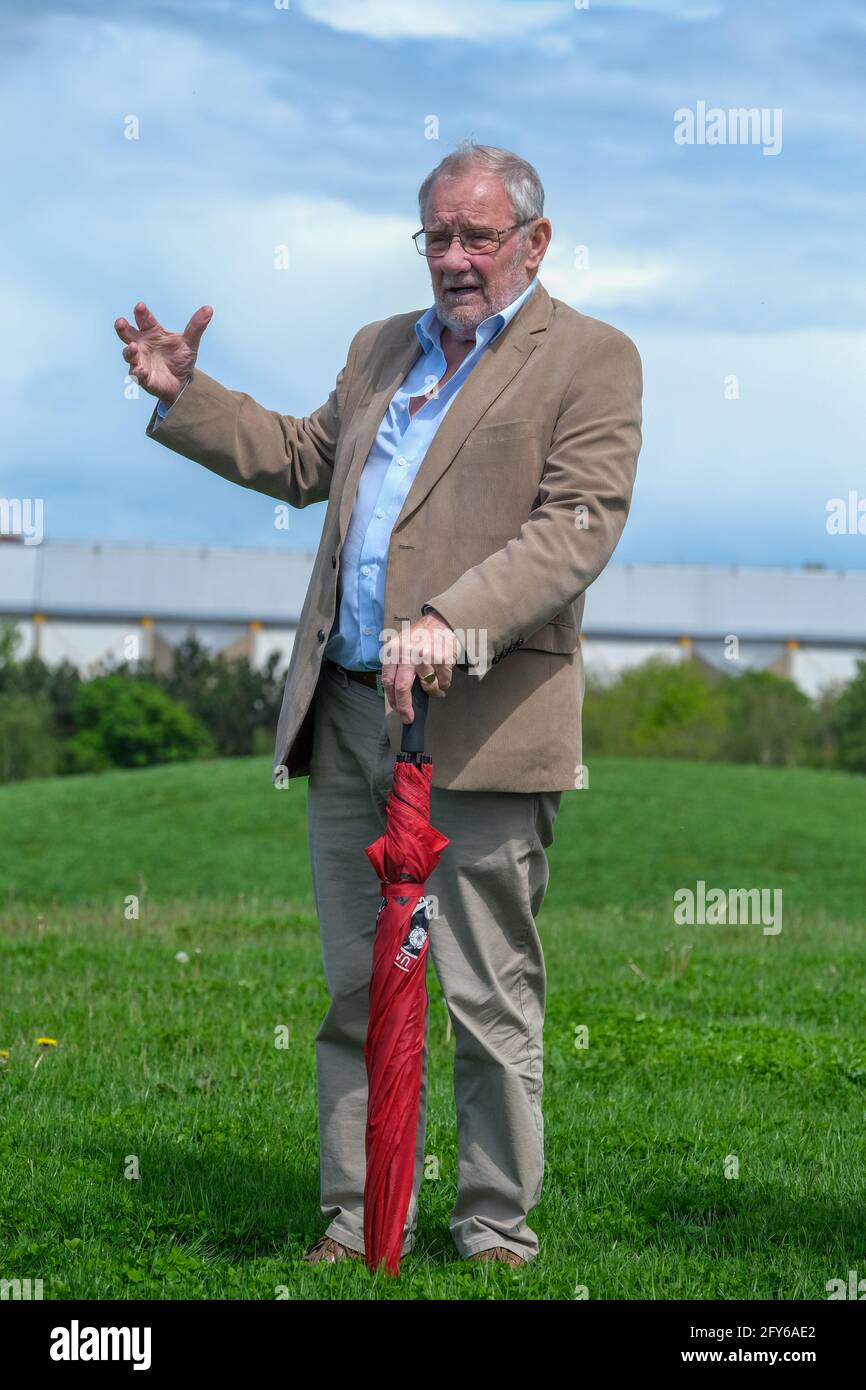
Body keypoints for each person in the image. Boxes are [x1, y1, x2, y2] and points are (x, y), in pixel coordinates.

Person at [114, 141, 643, 1267]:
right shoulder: (379, 347)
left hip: (483, 725)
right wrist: (187, 397)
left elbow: (578, 523)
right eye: (436, 237)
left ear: (533, 243)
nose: (453, 260)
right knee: (357, 986)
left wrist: (456, 615)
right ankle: (359, 1220)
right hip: (350, 714)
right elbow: (308, 458)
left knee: (484, 996)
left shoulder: (592, 359)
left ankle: (493, 1225)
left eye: (477, 238)